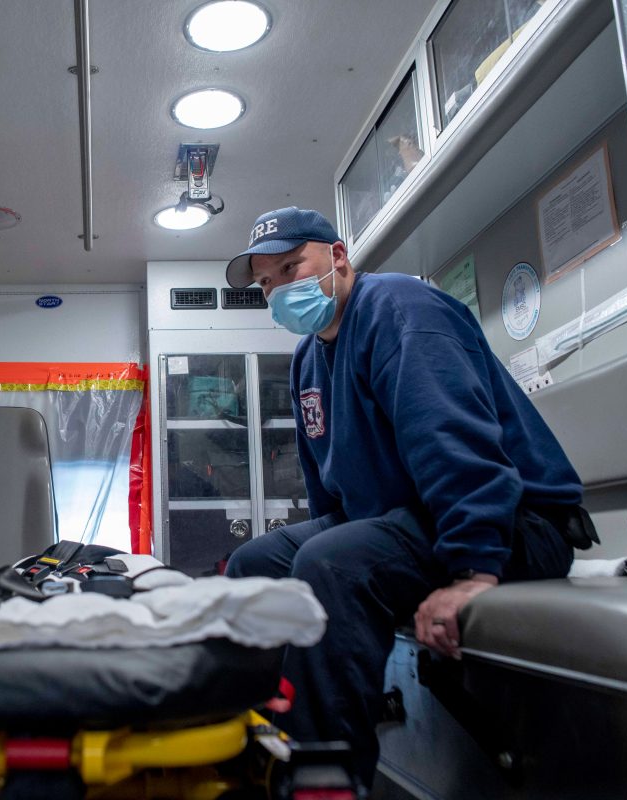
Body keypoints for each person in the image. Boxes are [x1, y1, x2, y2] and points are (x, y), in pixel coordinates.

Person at [222, 207, 596, 787]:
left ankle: (325, 782)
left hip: (514, 523)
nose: (280, 291)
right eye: (268, 284)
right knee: (254, 564)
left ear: (338, 256)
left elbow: (454, 444)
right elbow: (327, 490)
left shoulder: (398, 309)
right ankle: (267, 754)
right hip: (411, 521)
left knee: (330, 563)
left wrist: (473, 571)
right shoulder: (307, 360)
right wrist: (335, 541)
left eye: (292, 268)